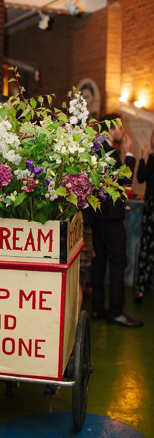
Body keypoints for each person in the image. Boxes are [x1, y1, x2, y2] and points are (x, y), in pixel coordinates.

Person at [90, 114, 142, 327]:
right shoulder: (107, 150)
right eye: (120, 125)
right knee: (119, 260)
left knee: (100, 260)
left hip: (99, 214)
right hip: (110, 216)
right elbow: (125, 180)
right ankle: (117, 312)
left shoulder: (98, 147)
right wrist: (129, 152)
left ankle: (97, 308)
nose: (122, 129)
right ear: (110, 129)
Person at [135, 129, 154, 303]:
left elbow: (141, 178)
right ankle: (141, 287)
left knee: (147, 248)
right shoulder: (152, 159)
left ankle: (142, 287)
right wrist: (144, 157)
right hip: (150, 207)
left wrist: (143, 157)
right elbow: (141, 178)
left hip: (150, 207)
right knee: (147, 248)